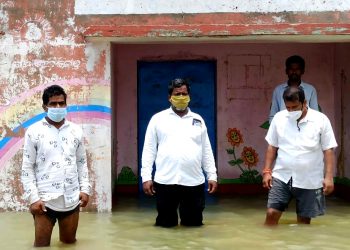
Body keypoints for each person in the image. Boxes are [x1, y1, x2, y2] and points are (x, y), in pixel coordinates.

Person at [141, 78, 218, 227]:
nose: (181, 97)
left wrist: (212, 175)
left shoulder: (198, 120)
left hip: (193, 182)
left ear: (189, 96)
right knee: (165, 227)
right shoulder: (158, 119)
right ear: (169, 97)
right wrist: (146, 177)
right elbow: (149, 150)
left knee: (193, 226)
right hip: (165, 181)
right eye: (177, 94)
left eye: (184, 94)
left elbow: (206, 150)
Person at [21, 85, 91, 247]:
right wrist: (33, 198)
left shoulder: (76, 131)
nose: (58, 107)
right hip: (44, 201)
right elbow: (27, 168)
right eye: (53, 104)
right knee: (41, 245)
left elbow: (81, 163)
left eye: (61, 103)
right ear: (44, 107)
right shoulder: (34, 131)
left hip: (72, 199)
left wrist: (85, 189)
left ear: (66, 104)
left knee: (69, 243)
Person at [262, 86, 337, 225]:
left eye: (295, 107)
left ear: (305, 102)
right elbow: (272, 146)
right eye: (288, 107)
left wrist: (329, 177)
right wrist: (267, 171)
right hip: (282, 176)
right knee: (271, 213)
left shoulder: (321, 120)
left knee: (303, 221)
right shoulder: (279, 118)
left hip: (310, 178)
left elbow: (328, 149)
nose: (291, 111)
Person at [269, 55, 318, 123]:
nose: (294, 72)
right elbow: (273, 116)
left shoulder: (310, 90)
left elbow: (315, 115)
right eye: (291, 69)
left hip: (304, 130)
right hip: (283, 130)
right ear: (286, 71)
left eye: (297, 69)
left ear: (302, 71)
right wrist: (277, 131)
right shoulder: (278, 90)